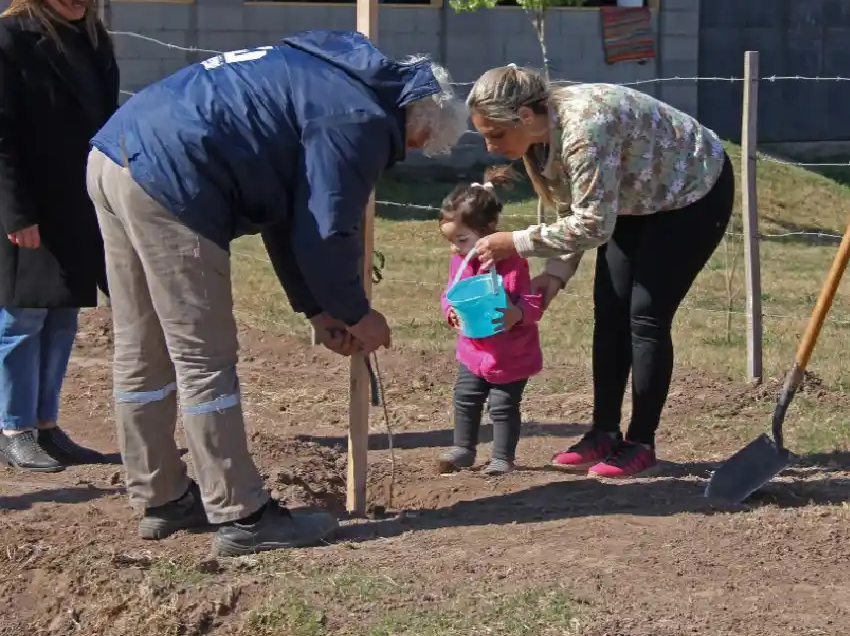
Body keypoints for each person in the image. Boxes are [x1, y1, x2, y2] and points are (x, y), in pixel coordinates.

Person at [85, 32, 468, 557]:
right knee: (204, 357)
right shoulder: (359, 121)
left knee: (141, 346)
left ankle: (162, 497)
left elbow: (286, 217)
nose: (407, 154)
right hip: (175, 177)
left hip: (114, 154)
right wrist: (359, 314)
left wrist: (316, 309)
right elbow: (325, 229)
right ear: (418, 122)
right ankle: (241, 514)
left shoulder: (329, 75)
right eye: (418, 145)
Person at [467, 66, 734, 480]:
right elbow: (572, 208)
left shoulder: (584, 128)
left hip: (691, 191)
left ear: (523, 115)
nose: (489, 145)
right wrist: (555, 274)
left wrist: (516, 241)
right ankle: (603, 432)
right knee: (609, 308)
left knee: (645, 315)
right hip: (634, 197)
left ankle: (640, 443)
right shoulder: (541, 139)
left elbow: (593, 225)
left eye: (495, 133)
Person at [0, 0, 119, 473]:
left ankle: (48, 427)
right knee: (21, 320)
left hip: (79, 204)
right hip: (26, 206)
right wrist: (16, 213)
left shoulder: (94, 41)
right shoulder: (11, 40)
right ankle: (13, 429)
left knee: (63, 318)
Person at [437, 168, 543, 476]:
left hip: (510, 353)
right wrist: (450, 311)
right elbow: (450, 293)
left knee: (502, 405)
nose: (456, 248)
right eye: (451, 241)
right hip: (474, 348)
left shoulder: (513, 263)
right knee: (465, 397)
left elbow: (532, 302)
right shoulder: (460, 260)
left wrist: (516, 314)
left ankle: (501, 457)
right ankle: (463, 448)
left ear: (489, 230)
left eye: (462, 239)